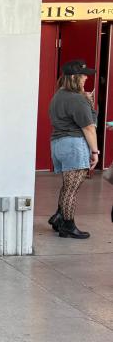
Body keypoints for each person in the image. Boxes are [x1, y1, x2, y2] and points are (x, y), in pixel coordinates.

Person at [48, 59, 99, 239]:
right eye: (83, 75)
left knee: (67, 186)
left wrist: (87, 102)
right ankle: (68, 227)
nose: (86, 78)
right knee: (72, 189)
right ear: (74, 77)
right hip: (74, 145)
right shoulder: (77, 99)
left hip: (58, 144)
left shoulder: (58, 95)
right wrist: (95, 152)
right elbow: (89, 127)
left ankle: (59, 218)